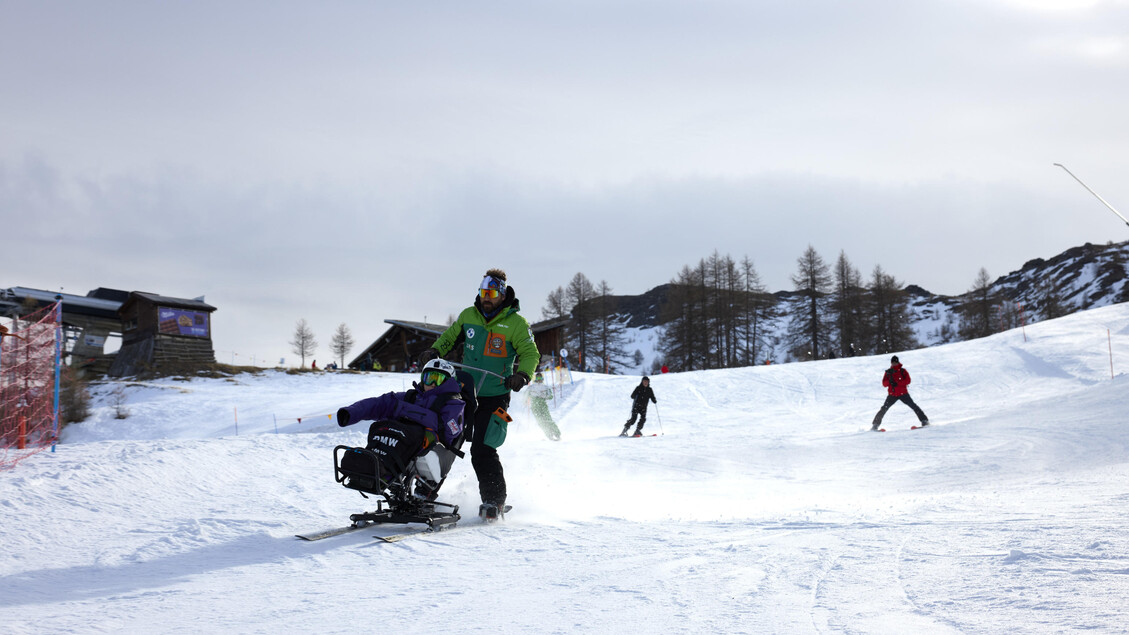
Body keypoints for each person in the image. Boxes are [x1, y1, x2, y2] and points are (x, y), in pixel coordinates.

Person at [420, 268, 540, 520]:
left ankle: (493, 501)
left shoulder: (516, 324)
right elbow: (449, 339)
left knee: (483, 449)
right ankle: (425, 491)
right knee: (444, 438)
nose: (486, 298)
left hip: (494, 395)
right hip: (463, 391)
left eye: (492, 293)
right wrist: (434, 351)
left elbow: (530, 353)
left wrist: (523, 375)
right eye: (483, 292)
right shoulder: (468, 316)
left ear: (502, 294)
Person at [336, 358, 465, 498]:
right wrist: (351, 412)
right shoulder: (411, 397)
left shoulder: (453, 403)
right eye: (429, 378)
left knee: (410, 434)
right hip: (403, 444)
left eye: (438, 379)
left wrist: (405, 410)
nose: (432, 384)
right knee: (383, 428)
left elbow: (449, 430)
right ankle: (372, 468)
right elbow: (381, 403)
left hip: (434, 449)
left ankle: (394, 475)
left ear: (448, 382)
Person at [871, 355, 929, 430]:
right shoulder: (888, 372)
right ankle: (875, 425)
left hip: (903, 394)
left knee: (914, 406)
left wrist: (897, 383)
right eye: (893, 363)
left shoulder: (903, 371)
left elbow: (908, 381)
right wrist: (890, 382)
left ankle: (924, 421)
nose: (894, 364)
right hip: (892, 395)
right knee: (883, 409)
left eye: (895, 362)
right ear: (891, 363)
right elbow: (884, 384)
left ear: (898, 362)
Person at [527, 371, 561, 441]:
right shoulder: (532, 387)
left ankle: (557, 434)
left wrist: (545, 396)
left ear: (542, 379)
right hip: (535, 406)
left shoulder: (545, 387)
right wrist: (526, 399)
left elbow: (550, 396)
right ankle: (550, 435)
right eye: (538, 377)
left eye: (540, 377)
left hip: (542, 405)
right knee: (541, 421)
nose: (539, 379)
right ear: (536, 378)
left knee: (547, 420)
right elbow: (526, 395)